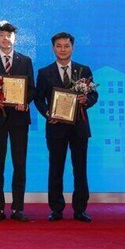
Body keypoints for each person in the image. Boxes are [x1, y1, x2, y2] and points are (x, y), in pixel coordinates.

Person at [34, 32, 98, 222]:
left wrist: (87, 99)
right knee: (56, 168)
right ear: (53, 48)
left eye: (66, 46)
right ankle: (56, 209)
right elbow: (38, 98)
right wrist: (47, 113)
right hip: (55, 127)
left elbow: (94, 95)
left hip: (79, 127)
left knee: (80, 168)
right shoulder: (44, 72)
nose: (63, 49)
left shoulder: (84, 70)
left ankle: (80, 209)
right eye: (59, 46)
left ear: (73, 47)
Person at [0, 21, 35, 222]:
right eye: (2, 35)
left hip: (20, 119)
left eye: (9, 35)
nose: (6, 38)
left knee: (20, 163)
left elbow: (31, 89)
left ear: (15, 38)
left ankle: (18, 208)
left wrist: (25, 102)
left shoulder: (25, 60)